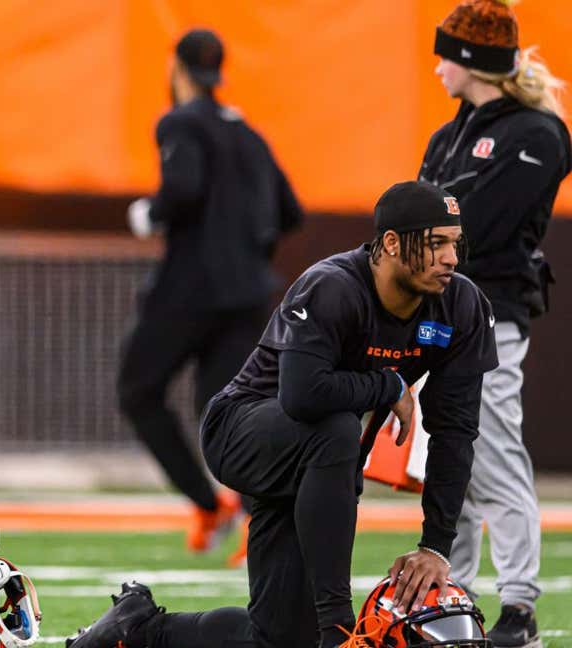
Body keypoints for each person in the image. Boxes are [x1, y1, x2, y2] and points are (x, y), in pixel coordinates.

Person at [70, 181, 498, 648]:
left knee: (279, 639)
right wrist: (389, 383)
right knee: (336, 429)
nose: (452, 259)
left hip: (320, 464)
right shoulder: (333, 286)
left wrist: (434, 546)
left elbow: (456, 432)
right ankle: (338, 628)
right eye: (436, 243)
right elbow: (303, 395)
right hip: (242, 432)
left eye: (455, 244)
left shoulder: (462, 305)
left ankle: (136, 630)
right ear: (392, 243)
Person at [120, 28, 302, 561]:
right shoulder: (247, 132)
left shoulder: (180, 121)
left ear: (176, 69)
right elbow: (290, 210)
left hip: (189, 291)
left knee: (138, 390)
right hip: (248, 294)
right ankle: (253, 515)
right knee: (225, 410)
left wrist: (149, 214)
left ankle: (207, 505)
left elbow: (183, 188)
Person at [420, 1, 571, 643]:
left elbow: (473, 226)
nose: (436, 68)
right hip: (435, 313)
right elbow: (424, 221)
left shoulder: (535, 133)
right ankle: (450, 597)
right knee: (448, 455)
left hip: (490, 312)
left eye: (446, 53)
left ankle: (519, 607)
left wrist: (435, 217)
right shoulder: (451, 132)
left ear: (472, 61)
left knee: (494, 451)